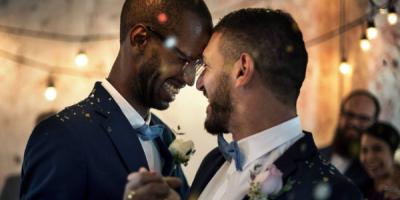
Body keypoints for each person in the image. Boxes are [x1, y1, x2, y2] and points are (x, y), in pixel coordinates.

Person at [123, 8, 363, 200]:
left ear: (242, 70)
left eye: (206, 66)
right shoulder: (213, 162)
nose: (199, 83)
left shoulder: (334, 192)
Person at [20, 0, 213, 199]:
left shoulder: (166, 138)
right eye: (184, 60)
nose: (189, 80)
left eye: (195, 66)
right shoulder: (62, 136)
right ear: (140, 40)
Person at [320, 90, 379, 189]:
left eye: (363, 118)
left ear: (374, 123)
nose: (354, 123)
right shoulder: (315, 155)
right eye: (349, 115)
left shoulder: (377, 170)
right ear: (340, 116)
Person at [360, 122, 400, 200]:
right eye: (364, 150)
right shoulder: (363, 187)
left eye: (377, 149)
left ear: (394, 152)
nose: (369, 157)